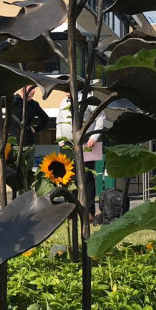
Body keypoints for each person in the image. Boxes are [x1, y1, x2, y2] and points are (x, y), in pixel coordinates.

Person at [57, 91, 107, 220]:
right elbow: (59, 121)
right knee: (68, 177)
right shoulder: (63, 102)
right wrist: (59, 139)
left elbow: (100, 116)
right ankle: (71, 211)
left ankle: (88, 212)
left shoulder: (88, 99)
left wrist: (95, 136)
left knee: (87, 176)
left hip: (87, 143)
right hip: (67, 144)